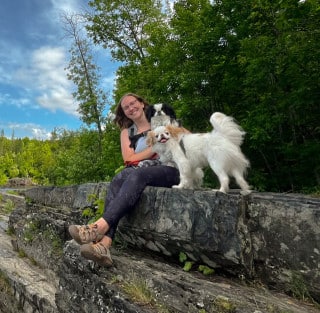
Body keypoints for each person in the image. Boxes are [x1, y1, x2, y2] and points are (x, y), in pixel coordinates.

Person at [68, 93, 181, 266]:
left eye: (133, 103)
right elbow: (129, 159)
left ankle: (97, 228)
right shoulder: (127, 133)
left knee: (135, 173)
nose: (130, 108)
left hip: (171, 169)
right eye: (126, 107)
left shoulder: (160, 119)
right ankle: (104, 245)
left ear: (142, 103)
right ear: (124, 113)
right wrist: (156, 145)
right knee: (119, 177)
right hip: (143, 171)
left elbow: (178, 138)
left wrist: (145, 152)